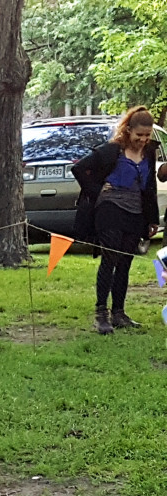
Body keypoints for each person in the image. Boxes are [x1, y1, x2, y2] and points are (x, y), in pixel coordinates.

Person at [72, 105, 161, 334]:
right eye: (139, 135)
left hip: (136, 210)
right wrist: (97, 190)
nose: (143, 140)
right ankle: (101, 314)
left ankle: (119, 313)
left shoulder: (149, 152)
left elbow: (150, 186)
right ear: (128, 130)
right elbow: (79, 169)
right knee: (110, 259)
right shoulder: (112, 150)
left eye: (147, 135)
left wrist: (152, 219)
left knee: (125, 262)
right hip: (110, 208)